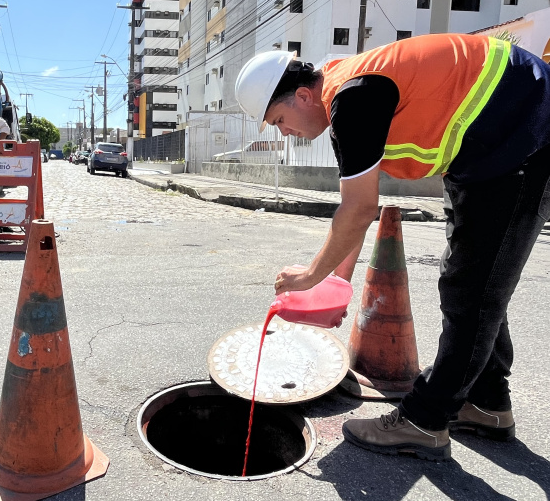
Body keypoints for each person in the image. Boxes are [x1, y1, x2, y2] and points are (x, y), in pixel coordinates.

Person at [235, 33, 550, 461]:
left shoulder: (355, 97)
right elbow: (358, 209)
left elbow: (359, 209)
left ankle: (424, 421)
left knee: (472, 291)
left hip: (523, 134)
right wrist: (337, 285)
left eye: (278, 120)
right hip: (484, 155)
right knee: (474, 281)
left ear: (304, 96)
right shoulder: (344, 98)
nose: (286, 133)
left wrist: (310, 278)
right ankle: (487, 402)